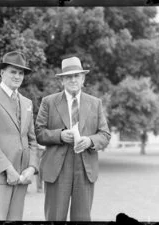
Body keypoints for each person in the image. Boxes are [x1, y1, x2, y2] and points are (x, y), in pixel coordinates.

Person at [35, 56, 111, 221]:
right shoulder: (48, 102)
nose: (73, 79)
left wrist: (90, 141)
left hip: (85, 169)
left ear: (83, 78)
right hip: (57, 169)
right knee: (55, 218)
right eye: (68, 76)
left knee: (82, 219)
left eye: (77, 76)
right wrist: (60, 135)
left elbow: (105, 135)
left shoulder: (95, 103)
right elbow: (38, 133)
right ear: (62, 80)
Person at [0, 51, 39, 220]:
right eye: (13, 71)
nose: (17, 76)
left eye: (21, 73)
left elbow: (32, 140)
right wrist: (8, 169)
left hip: (21, 179)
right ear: (2, 72)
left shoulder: (27, 103)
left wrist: (32, 168)